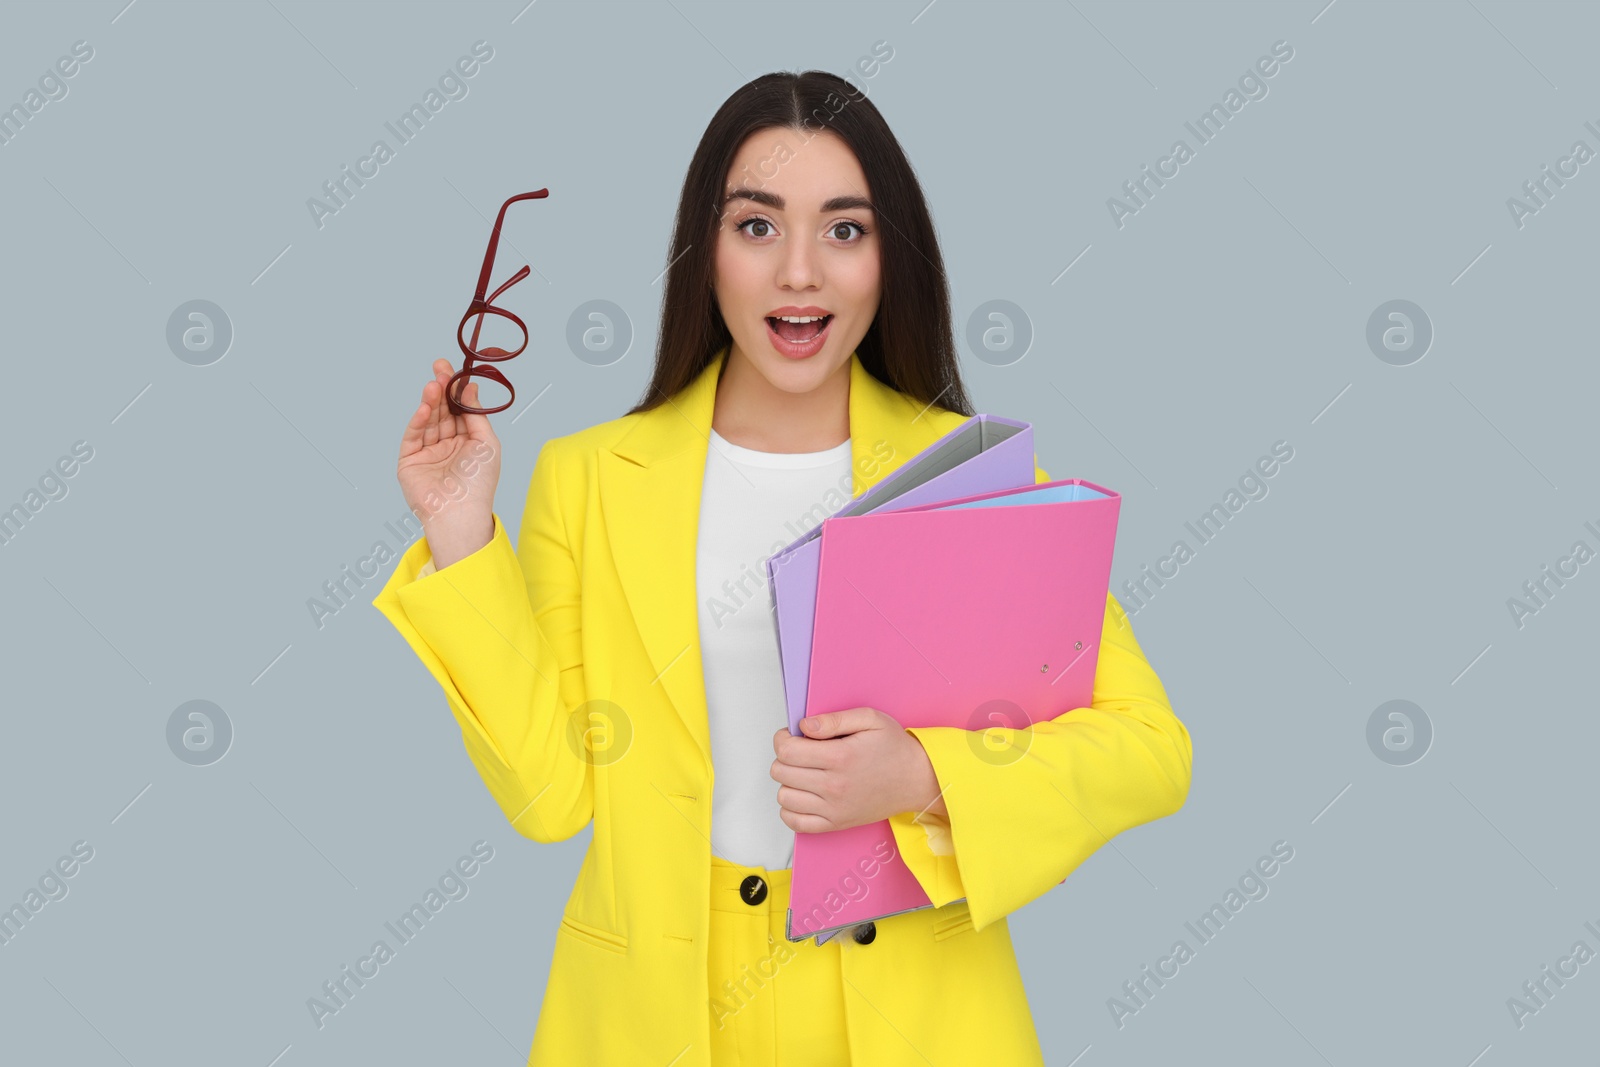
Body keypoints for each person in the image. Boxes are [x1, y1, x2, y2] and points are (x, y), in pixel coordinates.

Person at [373, 69, 1192, 1067]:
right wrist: (461, 530)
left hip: (913, 1011)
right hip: (656, 1013)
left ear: (891, 257)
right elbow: (551, 796)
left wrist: (924, 772)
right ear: (704, 252)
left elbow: (1149, 748)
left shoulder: (971, 479)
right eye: (757, 227)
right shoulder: (588, 478)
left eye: (844, 230)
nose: (799, 272)